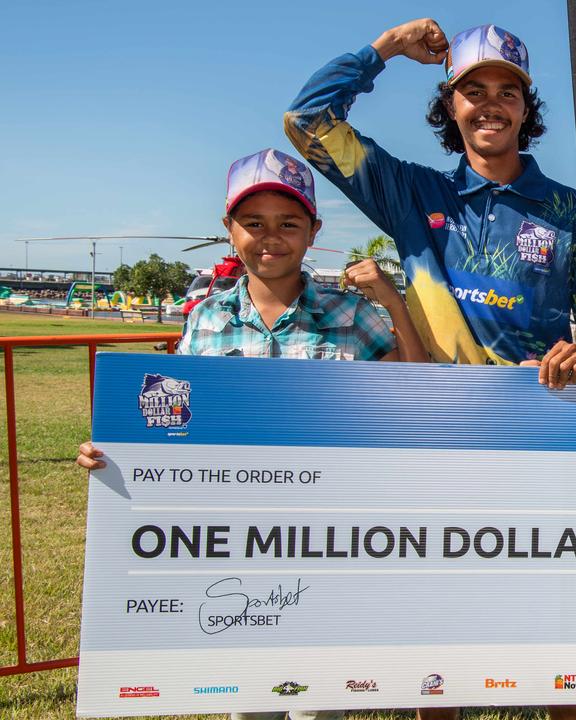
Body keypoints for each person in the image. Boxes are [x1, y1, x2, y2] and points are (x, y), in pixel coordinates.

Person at [77, 148, 428, 720]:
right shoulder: (205, 319)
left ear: (313, 231)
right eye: (253, 223)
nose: (271, 238)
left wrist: (391, 301)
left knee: (319, 704)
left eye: (289, 223)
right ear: (228, 231)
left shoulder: (352, 314)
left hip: (326, 540)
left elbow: (413, 392)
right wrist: (118, 457)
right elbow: (174, 427)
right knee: (245, 698)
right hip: (238, 540)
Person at [284, 19, 576, 390]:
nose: (491, 106)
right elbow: (306, 120)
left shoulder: (569, 212)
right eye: (475, 93)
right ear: (450, 106)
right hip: (436, 418)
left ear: (526, 109)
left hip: (534, 424)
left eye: (507, 93)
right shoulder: (412, 192)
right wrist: (390, 46)